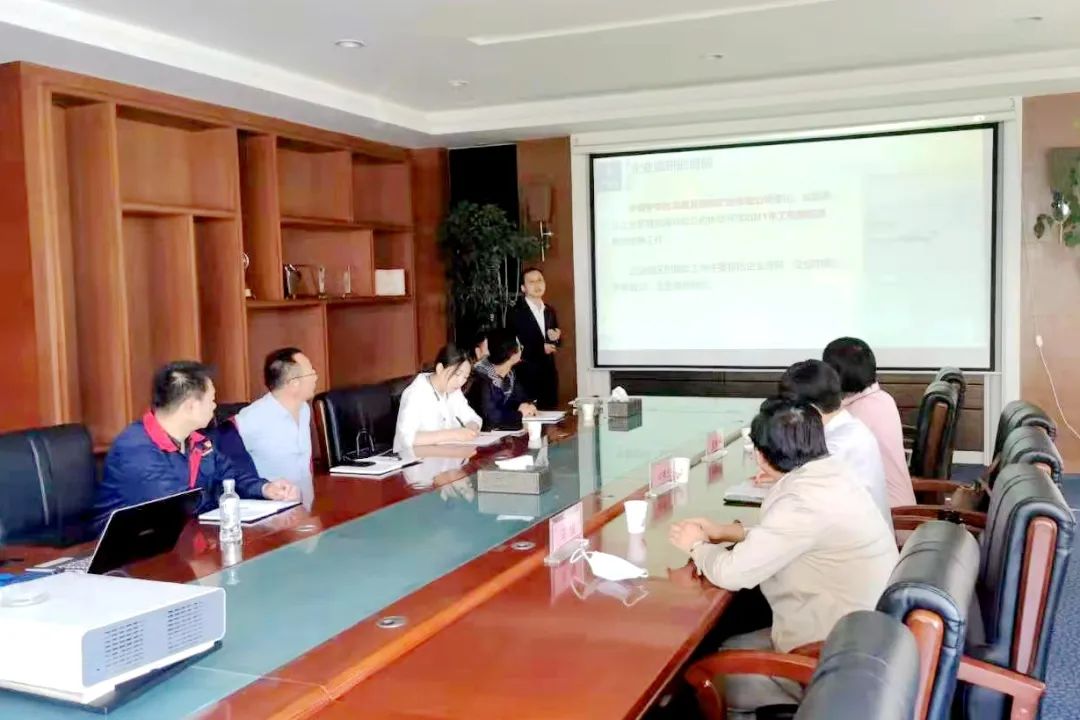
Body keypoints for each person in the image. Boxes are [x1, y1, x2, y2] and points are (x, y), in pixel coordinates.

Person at [669, 398, 898, 717]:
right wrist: (727, 532)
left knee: (702, 665)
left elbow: (732, 573)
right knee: (727, 633)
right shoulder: (832, 474)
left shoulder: (803, 501)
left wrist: (696, 545)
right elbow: (795, 537)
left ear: (760, 456)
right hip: (864, 641)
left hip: (835, 662)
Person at [91, 361, 300, 533]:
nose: (215, 406)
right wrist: (220, 494)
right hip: (125, 554)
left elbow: (231, 476)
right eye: (212, 400)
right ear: (191, 406)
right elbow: (179, 508)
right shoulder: (135, 449)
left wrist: (265, 488)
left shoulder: (198, 441)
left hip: (183, 541)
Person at [779, 359, 892, 529]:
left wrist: (778, 474)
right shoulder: (848, 426)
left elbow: (803, 492)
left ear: (808, 409)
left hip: (853, 539)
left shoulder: (838, 446)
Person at [823, 337, 916, 507]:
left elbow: (826, 465)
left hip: (888, 512)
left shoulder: (857, 414)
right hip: (893, 503)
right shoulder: (881, 398)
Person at [235, 347, 319, 506]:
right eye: (311, 373)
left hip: (305, 509)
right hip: (270, 512)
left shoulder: (304, 409)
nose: (315, 377)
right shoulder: (251, 419)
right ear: (294, 383)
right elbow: (225, 466)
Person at [393, 344, 483, 452]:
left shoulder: (453, 391)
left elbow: (472, 418)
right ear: (440, 368)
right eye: (457, 374)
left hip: (446, 455)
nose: (460, 382)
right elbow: (406, 438)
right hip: (415, 458)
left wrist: (471, 428)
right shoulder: (416, 392)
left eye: (465, 377)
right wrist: (453, 434)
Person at [467, 327, 538, 430]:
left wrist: (527, 406)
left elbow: (521, 399)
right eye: (520, 347)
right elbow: (491, 418)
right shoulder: (480, 377)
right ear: (512, 353)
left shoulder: (509, 375)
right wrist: (519, 414)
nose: (522, 348)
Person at [511, 267, 561, 409]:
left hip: (548, 376)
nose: (537, 285)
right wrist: (540, 348)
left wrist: (556, 337)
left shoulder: (549, 310)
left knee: (551, 415)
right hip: (527, 376)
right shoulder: (515, 313)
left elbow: (553, 340)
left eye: (540, 280)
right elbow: (512, 346)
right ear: (523, 288)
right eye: (531, 282)